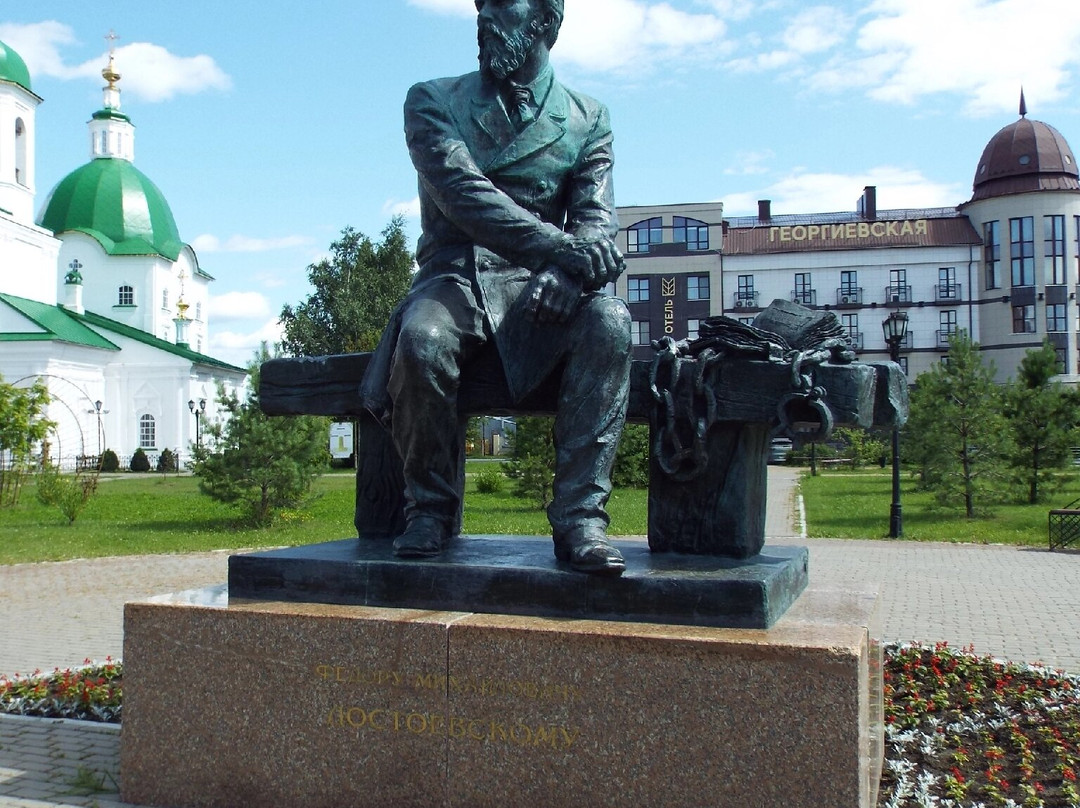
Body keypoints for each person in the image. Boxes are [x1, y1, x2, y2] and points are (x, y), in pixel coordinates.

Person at [362, 0, 631, 575]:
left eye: (502, 6)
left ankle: (581, 519)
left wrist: (567, 271)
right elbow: (464, 196)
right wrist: (565, 253)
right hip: (454, 275)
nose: (485, 18)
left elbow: (594, 216)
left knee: (609, 323)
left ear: (545, 23)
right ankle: (429, 511)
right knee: (423, 341)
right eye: (481, 7)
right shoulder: (433, 100)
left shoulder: (588, 117)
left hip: (542, 288)